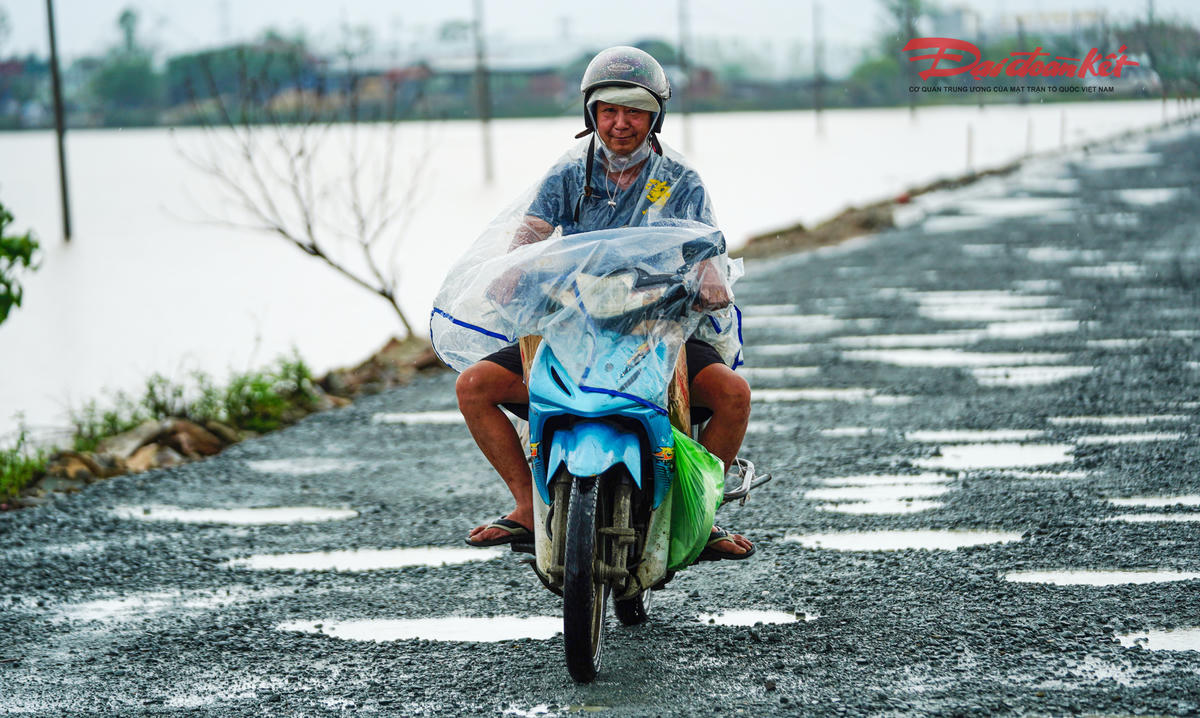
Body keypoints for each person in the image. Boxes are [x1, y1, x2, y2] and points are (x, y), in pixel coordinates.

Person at [454, 46, 753, 560]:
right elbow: (531, 232)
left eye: (633, 111)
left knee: (733, 395)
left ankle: (699, 513)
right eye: (608, 111)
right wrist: (511, 270)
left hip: (658, 326)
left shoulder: (680, 180)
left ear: (655, 116)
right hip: (573, 324)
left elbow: (704, 244)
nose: (619, 124)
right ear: (590, 113)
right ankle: (526, 505)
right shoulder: (569, 174)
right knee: (474, 386)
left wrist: (710, 279)